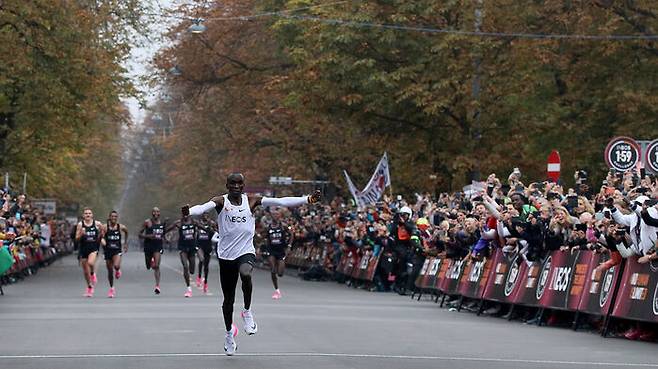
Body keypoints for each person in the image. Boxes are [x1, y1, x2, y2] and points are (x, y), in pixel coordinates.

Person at [186, 173, 321, 356]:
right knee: (228, 301)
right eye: (232, 183)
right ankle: (228, 335)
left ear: (243, 185)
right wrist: (189, 211)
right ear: (227, 185)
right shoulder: (220, 201)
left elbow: (280, 201)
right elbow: (202, 208)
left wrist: (307, 199)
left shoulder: (252, 201)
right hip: (226, 255)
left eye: (239, 183)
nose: (236, 186)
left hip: (245, 251)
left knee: (246, 273)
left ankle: (247, 312)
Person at [166, 209, 198, 297]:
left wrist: (216, 231)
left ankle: (190, 274)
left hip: (192, 247)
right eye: (183, 214)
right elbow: (167, 230)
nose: (185, 216)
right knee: (185, 266)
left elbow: (205, 229)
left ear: (189, 214)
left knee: (192, 270)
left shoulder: (194, 222)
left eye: (187, 214)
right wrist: (165, 235)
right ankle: (189, 288)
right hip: (182, 247)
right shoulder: (178, 223)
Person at [75, 208, 105, 297]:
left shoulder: (97, 224)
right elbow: (76, 238)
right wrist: (81, 234)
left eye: (89, 213)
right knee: (85, 271)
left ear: (92, 215)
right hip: (83, 249)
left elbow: (104, 232)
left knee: (91, 263)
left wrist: (101, 236)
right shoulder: (80, 225)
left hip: (93, 247)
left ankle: (93, 274)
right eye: (86, 213)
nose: (88, 215)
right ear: (83, 215)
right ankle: (89, 287)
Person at [139, 207, 166, 294]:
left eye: (157, 211)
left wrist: (166, 239)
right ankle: (151, 262)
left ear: (159, 213)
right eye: (154, 211)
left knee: (157, 266)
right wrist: (149, 236)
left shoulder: (162, 223)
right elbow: (139, 234)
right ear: (152, 213)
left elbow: (163, 234)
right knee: (148, 266)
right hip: (148, 246)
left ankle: (157, 286)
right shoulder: (147, 222)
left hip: (158, 246)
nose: (156, 213)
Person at [266, 211, 292, 299]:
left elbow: (292, 234)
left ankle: (277, 265)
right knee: (273, 270)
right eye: (273, 214)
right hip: (271, 250)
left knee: (280, 273)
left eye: (277, 214)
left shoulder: (283, 226)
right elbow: (265, 237)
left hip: (281, 251)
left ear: (279, 216)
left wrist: (289, 246)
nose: (275, 216)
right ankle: (277, 290)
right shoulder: (268, 227)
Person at [103, 210, 128, 298]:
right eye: (112, 216)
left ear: (117, 218)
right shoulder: (105, 227)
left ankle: (117, 270)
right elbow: (100, 236)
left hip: (117, 250)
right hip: (107, 251)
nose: (114, 218)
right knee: (110, 271)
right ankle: (111, 288)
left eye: (115, 216)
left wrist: (125, 243)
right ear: (109, 217)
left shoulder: (121, 227)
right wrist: (103, 241)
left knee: (116, 266)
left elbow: (126, 232)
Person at [195, 214, 216, 294]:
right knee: (201, 260)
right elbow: (195, 234)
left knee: (206, 266)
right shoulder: (198, 225)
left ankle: (205, 283)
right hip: (200, 246)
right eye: (205, 216)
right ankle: (199, 277)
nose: (206, 218)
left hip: (208, 247)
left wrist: (213, 227)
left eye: (207, 216)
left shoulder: (211, 225)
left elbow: (214, 234)